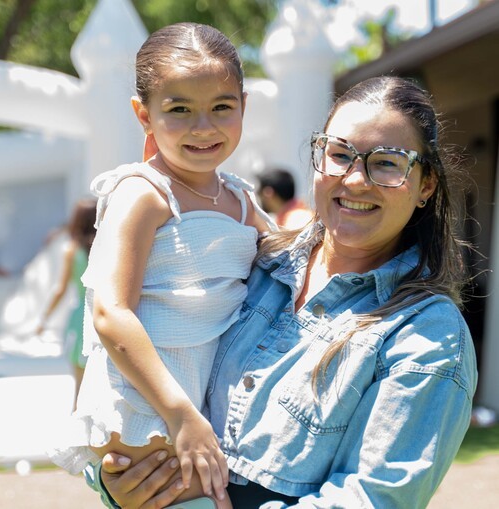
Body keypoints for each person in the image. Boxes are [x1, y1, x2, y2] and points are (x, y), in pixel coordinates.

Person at [88, 76, 478, 509]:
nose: (354, 180)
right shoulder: (254, 262)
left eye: (387, 163)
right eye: (340, 154)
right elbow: (149, 345)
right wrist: (121, 481)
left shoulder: (428, 335)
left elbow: (373, 499)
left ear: (426, 184)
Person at [49, 22, 275, 508]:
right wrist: (179, 414)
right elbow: (111, 311)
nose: (203, 127)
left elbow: (291, 254)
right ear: (144, 115)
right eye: (179, 110)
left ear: (244, 105)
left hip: (202, 405)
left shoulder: (239, 199)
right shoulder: (144, 194)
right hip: (150, 408)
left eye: (222, 107)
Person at [37, 198, 97, 403]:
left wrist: (44, 318)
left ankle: (79, 417)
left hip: (81, 317)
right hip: (105, 312)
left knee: (80, 385)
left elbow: (60, 289)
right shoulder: (107, 246)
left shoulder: (72, 250)